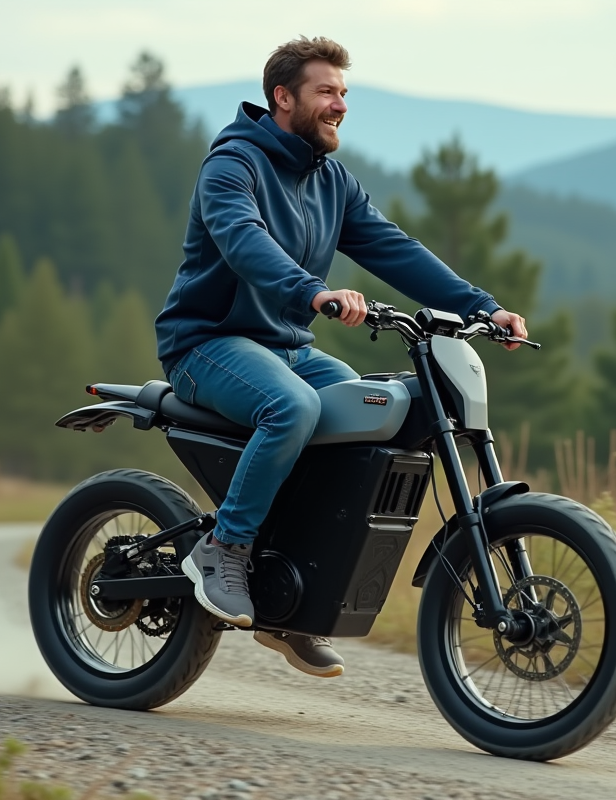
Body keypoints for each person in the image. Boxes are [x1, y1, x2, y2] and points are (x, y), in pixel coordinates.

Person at [155, 36, 528, 679]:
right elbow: (244, 242)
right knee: (291, 407)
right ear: (283, 97)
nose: (339, 105)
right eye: (326, 92)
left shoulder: (331, 181)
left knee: (364, 414)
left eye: (344, 94)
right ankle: (225, 549)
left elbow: (393, 248)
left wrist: (481, 307)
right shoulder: (232, 166)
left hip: (286, 346)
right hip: (207, 342)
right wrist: (315, 292)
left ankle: (288, 596)